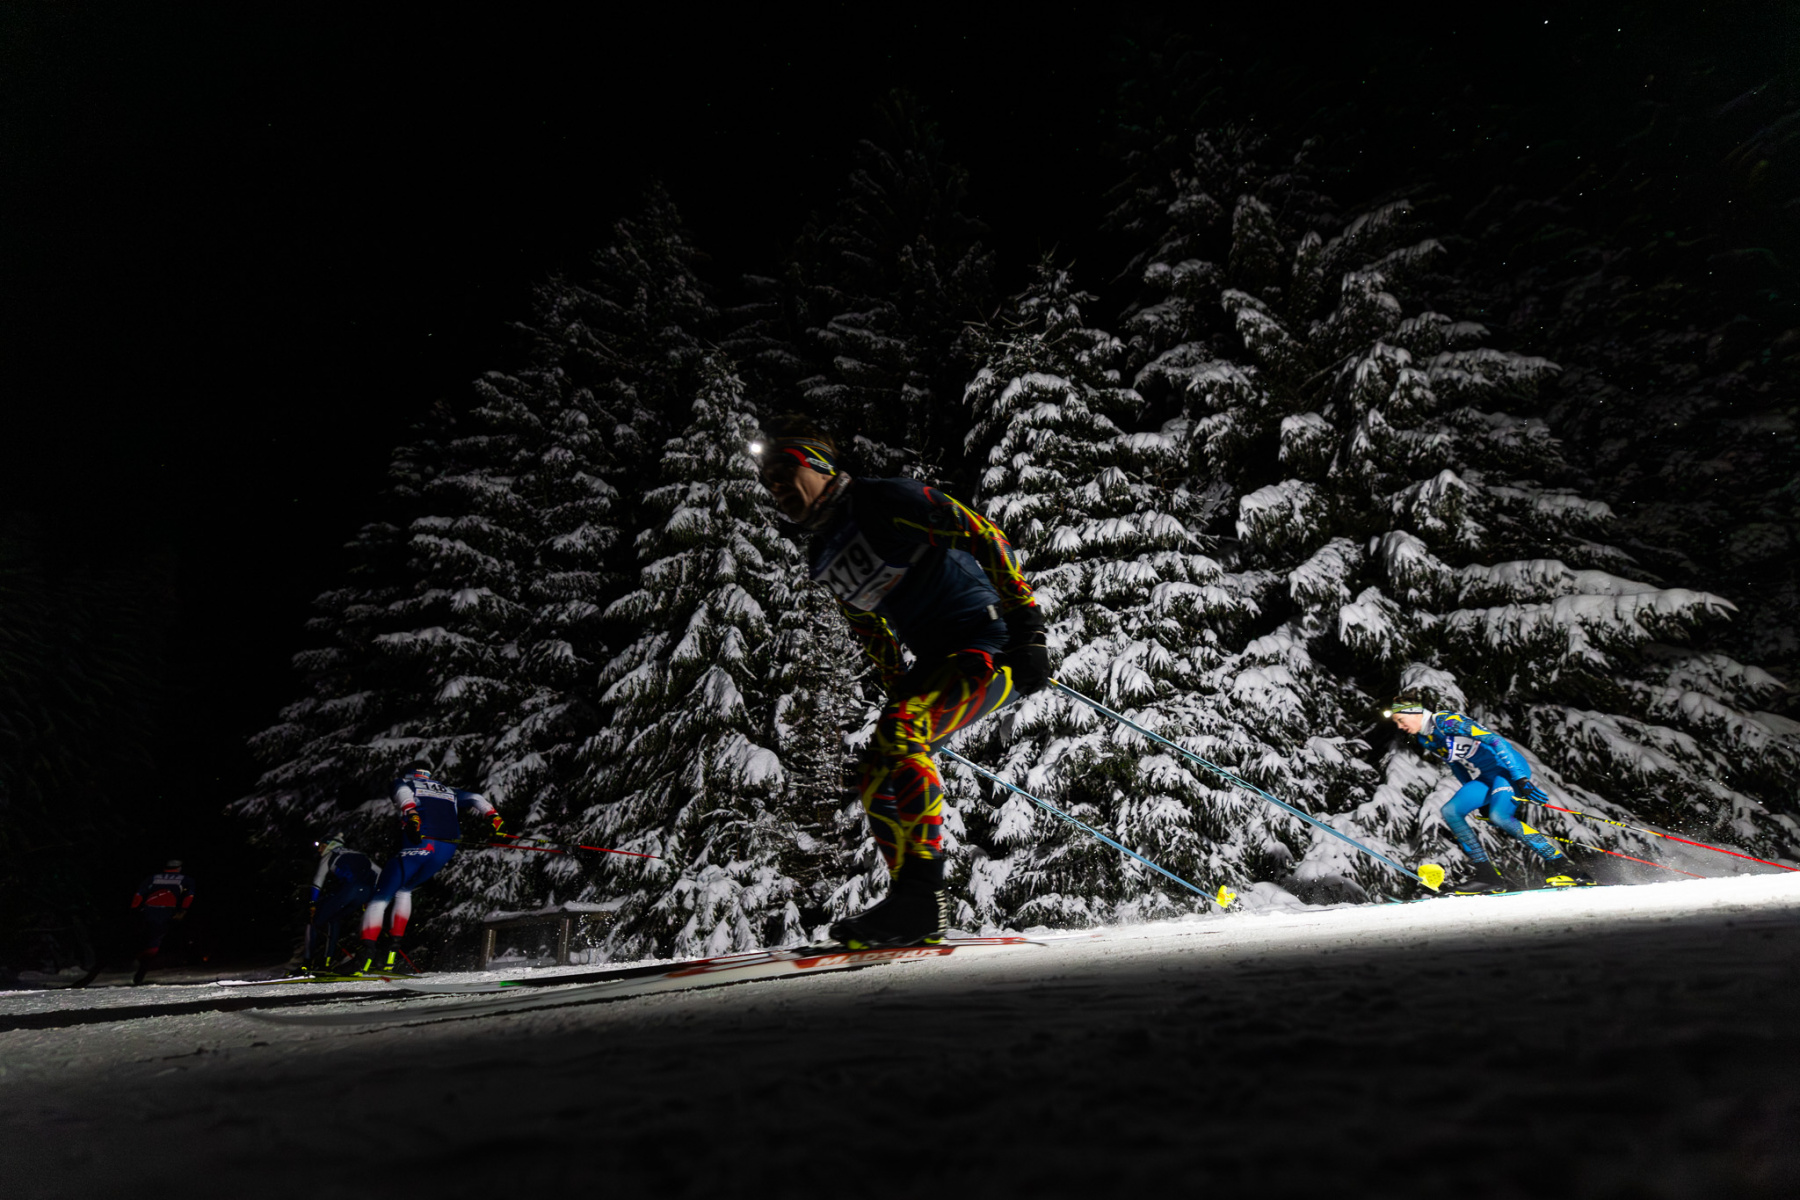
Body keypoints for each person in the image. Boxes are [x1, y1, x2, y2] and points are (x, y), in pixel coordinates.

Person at [753, 415, 1051, 948]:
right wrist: (898, 686)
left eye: (782, 470)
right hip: (938, 660)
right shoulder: (824, 553)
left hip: (989, 643)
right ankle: (911, 902)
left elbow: (982, 533)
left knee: (903, 732)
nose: (773, 486)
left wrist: (1028, 627)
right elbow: (869, 627)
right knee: (875, 770)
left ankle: (921, 898)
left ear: (818, 464)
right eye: (766, 479)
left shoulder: (884, 499)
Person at [1383, 697, 1593, 893]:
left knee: (1500, 816)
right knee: (1451, 811)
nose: (1400, 727)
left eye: (1401, 720)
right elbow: (1456, 765)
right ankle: (1488, 876)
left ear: (1415, 712)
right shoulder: (1426, 738)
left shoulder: (1446, 721)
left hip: (1508, 769)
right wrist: (1478, 799)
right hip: (1488, 775)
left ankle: (1570, 869)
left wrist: (1520, 778)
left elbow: (1496, 741)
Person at [353, 762, 501, 974]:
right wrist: (493, 816)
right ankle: (391, 958)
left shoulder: (405, 782)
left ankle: (363, 960)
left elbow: (403, 794)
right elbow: (476, 798)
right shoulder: (448, 789)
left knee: (380, 896)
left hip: (420, 841)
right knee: (405, 890)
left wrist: (411, 814)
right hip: (446, 849)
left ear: (409, 772)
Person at [303, 833, 377, 974]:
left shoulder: (330, 855)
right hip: (366, 892)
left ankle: (307, 964)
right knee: (334, 918)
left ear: (330, 845)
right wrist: (373, 896)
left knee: (313, 921)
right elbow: (380, 873)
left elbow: (317, 882)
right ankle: (329, 961)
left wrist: (312, 904)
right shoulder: (359, 854)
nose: (319, 850)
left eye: (321, 846)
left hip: (349, 890)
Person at [130, 859, 196, 984]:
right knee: (157, 939)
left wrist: (134, 910)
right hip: (166, 911)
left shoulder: (152, 878)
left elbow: (138, 894)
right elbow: (189, 896)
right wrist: (183, 910)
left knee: (144, 936)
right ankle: (143, 966)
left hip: (147, 909)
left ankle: (137, 958)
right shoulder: (186, 879)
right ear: (179, 868)